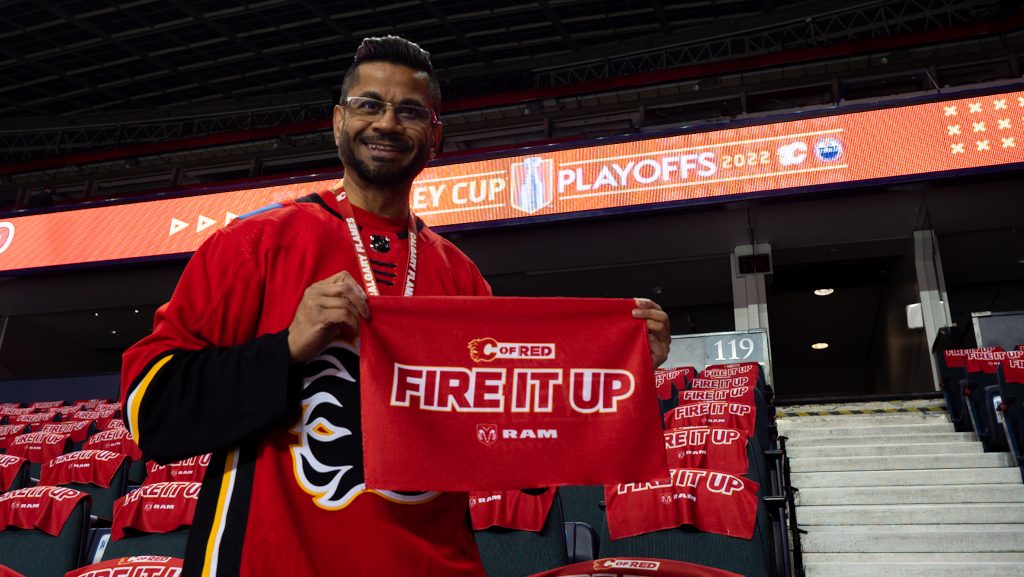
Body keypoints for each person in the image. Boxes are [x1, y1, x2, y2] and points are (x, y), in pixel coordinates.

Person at [121, 36, 670, 577]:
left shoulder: (460, 275)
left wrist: (622, 368)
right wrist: (285, 348)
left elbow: (521, 450)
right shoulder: (255, 245)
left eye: (410, 111)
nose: (386, 123)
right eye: (369, 105)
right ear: (337, 121)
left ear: (435, 135)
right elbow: (153, 413)